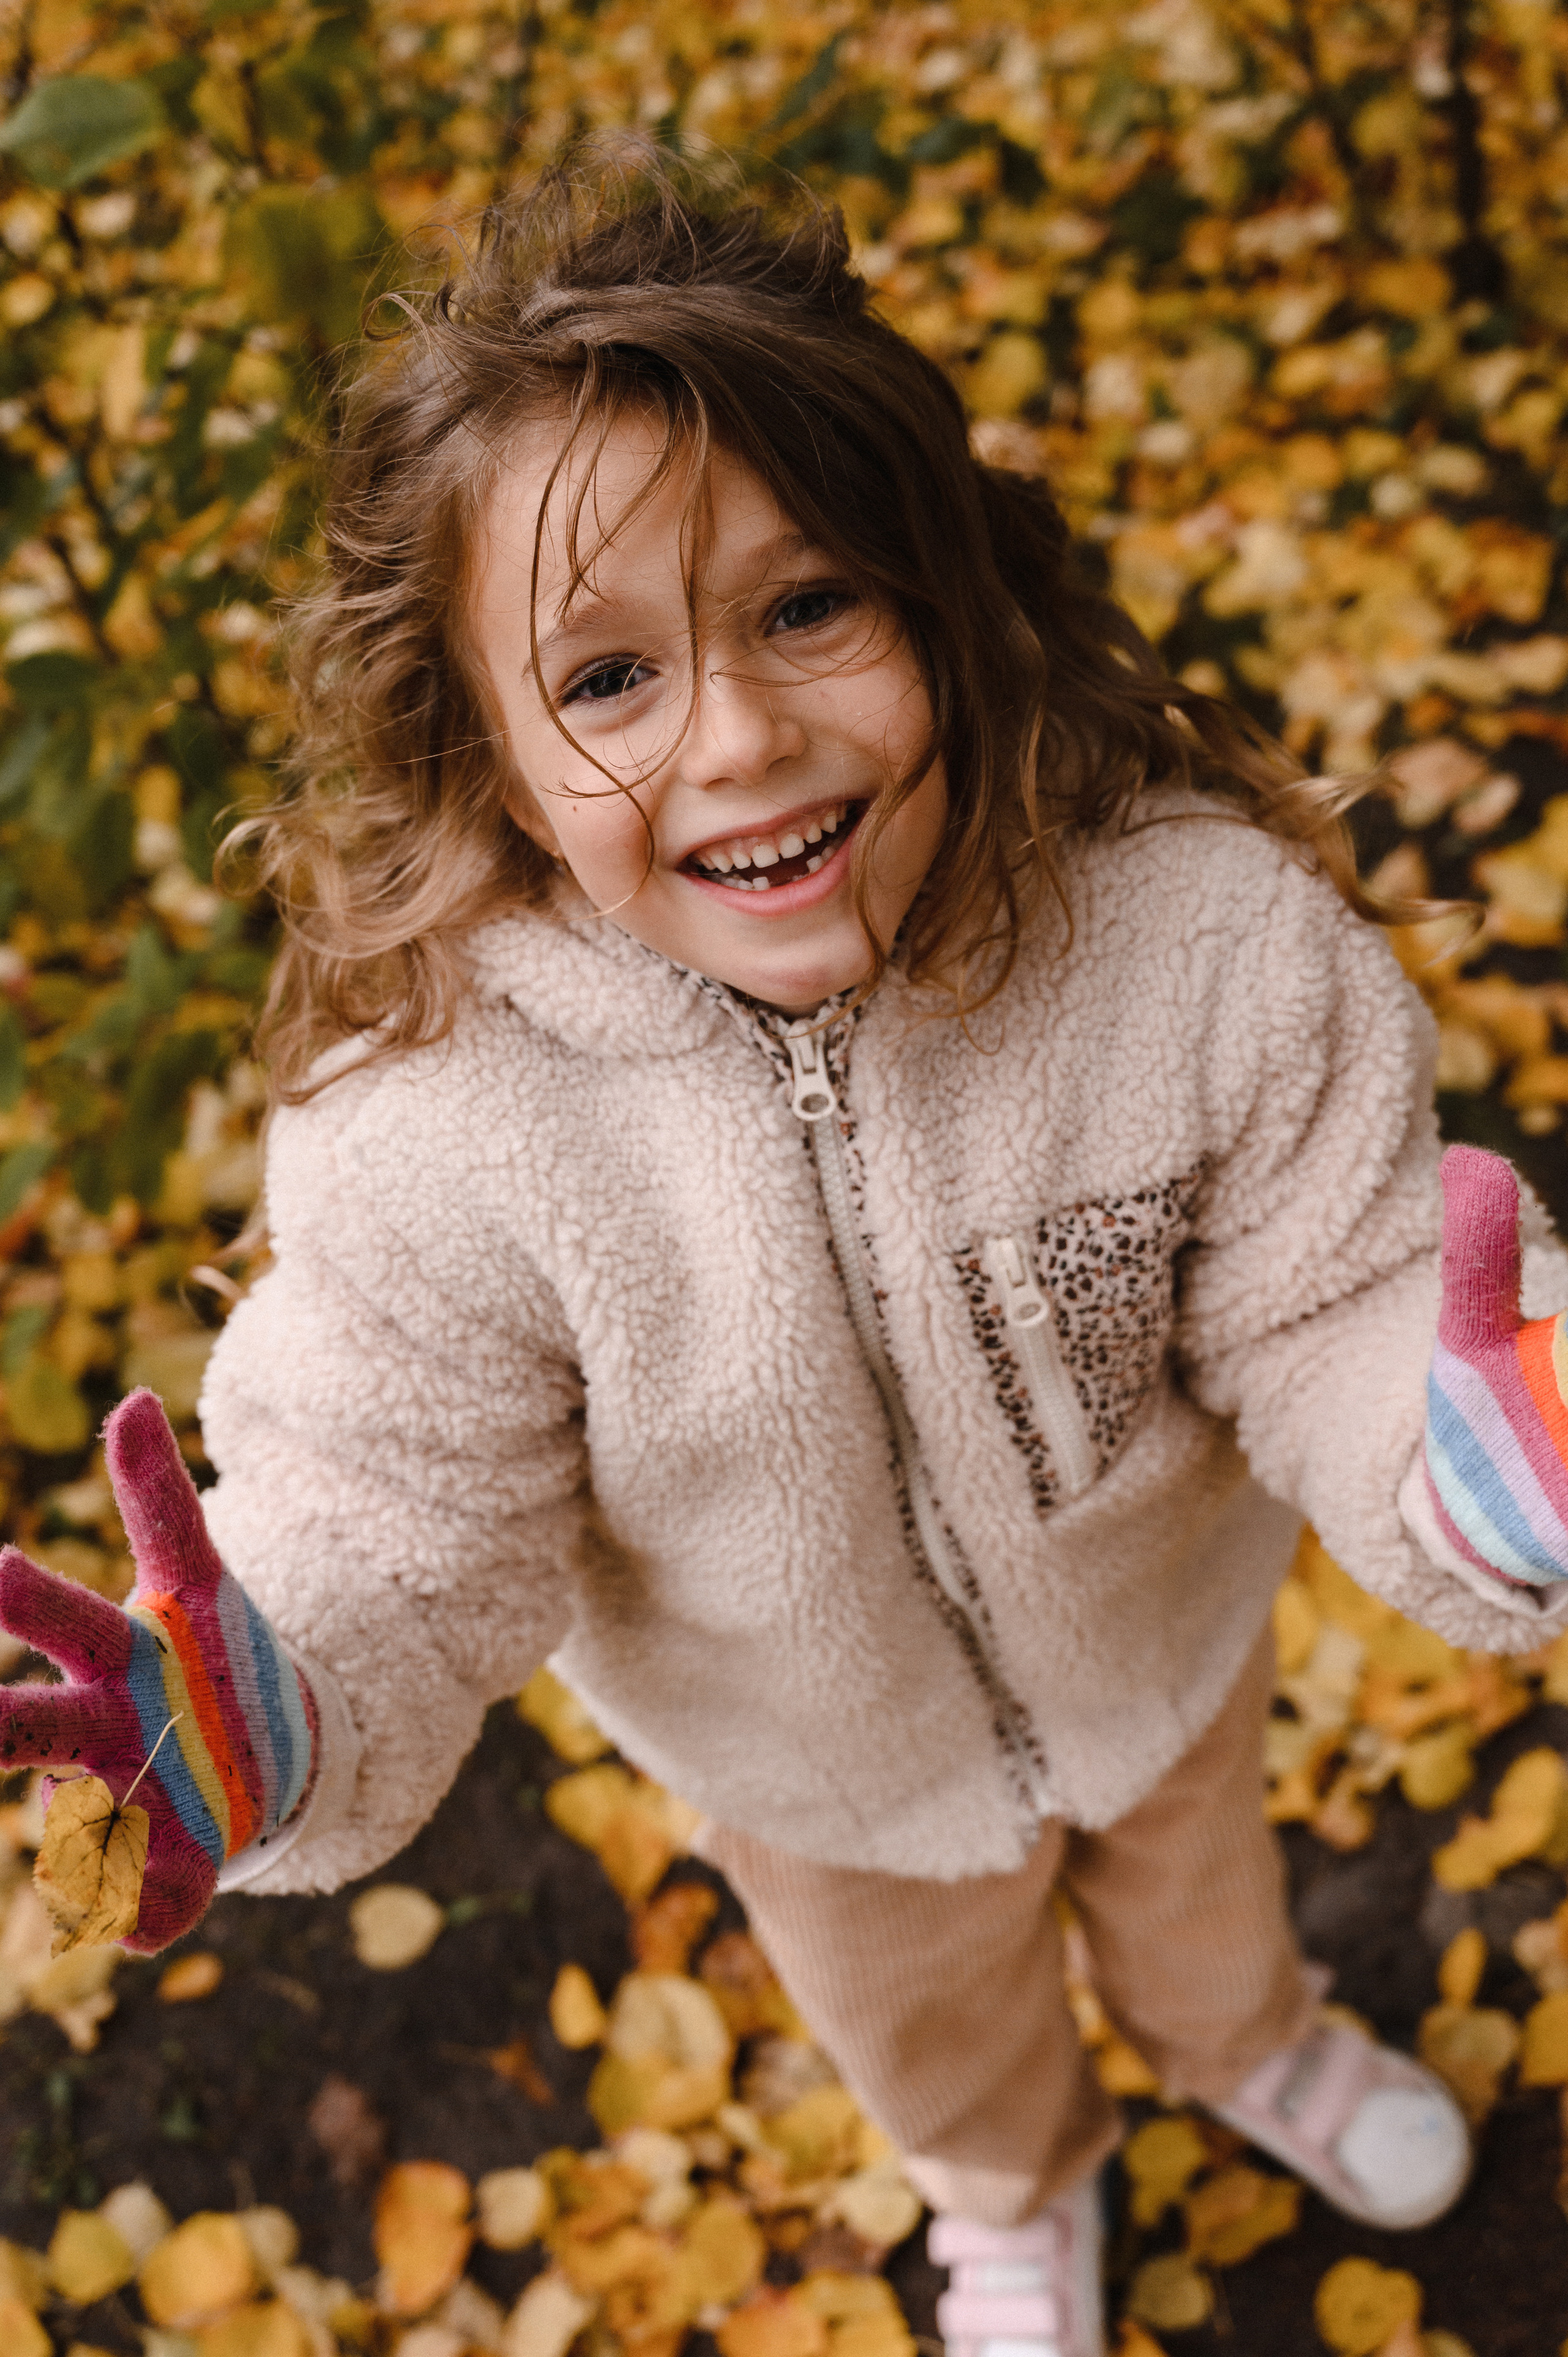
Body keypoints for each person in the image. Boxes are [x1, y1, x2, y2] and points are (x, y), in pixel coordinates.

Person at [4, 141, 1568, 2357]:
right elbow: (398, 1517)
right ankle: (1016, 2196)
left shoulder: (1188, 948)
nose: (738, 734)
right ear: (490, 752)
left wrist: (1462, 1443)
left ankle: (1253, 2052)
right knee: (938, 2036)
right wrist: (289, 1696)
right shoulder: (439, 1134)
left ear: (942, 591)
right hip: (814, 1775)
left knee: (1213, 1914)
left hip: (1164, 1658)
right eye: (612, 678)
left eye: (808, 606)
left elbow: (1331, 1292)